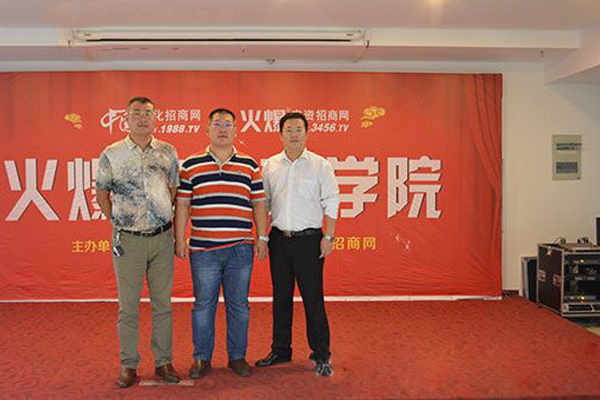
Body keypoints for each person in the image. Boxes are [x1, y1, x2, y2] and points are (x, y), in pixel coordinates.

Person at [174, 108, 268, 378]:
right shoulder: (191, 165)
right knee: (204, 306)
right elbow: (183, 205)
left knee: (239, 305)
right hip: (204, 250)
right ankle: (201, 359)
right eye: (217, 124)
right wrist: (180, 239)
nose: (223, 129)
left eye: (228, 124)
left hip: (240, 248)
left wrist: (262, 237)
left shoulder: (250, 165)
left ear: (236, 130)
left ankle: (237, 357)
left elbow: (258, 204)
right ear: (207, 129)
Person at [96, 96, 181, 388]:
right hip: (128, 241)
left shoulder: (168, 152)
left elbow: (173, 191)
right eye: (136, 113)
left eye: (147, 113)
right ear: (126, 118)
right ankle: (128, 365)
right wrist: (119, 221)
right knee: (128, 307)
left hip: (162, 238)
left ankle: (164, 362)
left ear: (155, 118)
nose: (142, 117)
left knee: (163, 304)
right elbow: (102, 194)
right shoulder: (112, 153)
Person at [255, 112, 339, 377]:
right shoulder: (270, 165)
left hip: (309, 241)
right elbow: (264, 202)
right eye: (288, 129)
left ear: (306, 133)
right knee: (280, 297)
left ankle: (321, 354)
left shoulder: (320, 165)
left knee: (313, 299)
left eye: (298, 129)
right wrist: (263, 237)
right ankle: (281, 350)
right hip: (279, 239)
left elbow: (332, 200)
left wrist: (329, 236)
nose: (293, 134)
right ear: (280, 134)